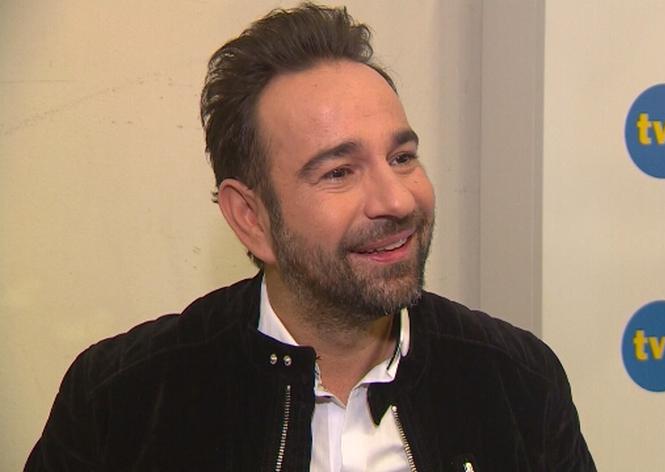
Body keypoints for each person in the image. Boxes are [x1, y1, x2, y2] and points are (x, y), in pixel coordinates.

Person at [26, 3, 595, 471]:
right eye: (339, 172)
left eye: (402, 157)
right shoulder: (122, 403)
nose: (397, 201)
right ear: (251, 217)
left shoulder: (518, 384)